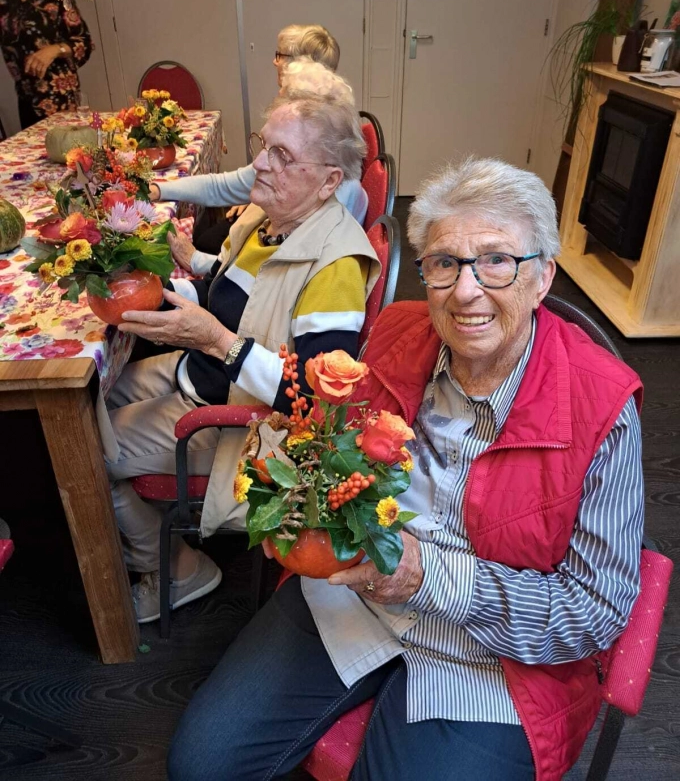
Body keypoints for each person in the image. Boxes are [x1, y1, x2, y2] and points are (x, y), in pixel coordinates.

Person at [167, 158, 644, 781]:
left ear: (542, 277)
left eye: (497, 260)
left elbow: (594, 610)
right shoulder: (396, 331)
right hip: (356, 595)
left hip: (491, 654)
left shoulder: (603, 405)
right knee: (199, 766)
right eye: (445, 263)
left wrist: (428, 579)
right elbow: (332, 436)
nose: (466, 290)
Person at [101, 93, 381, 624]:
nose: (261, 164)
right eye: (263, 146)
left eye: (283, 155)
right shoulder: (269, 218)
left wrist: (212, 340)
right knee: (95, 398)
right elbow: (243, 296)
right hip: (202, 375)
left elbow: (315, 403)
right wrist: (179, 272)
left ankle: (177, 569)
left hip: (245, 424)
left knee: (88, 447)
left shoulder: (335, 268)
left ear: (328, 182)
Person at [154, 59, 368, 276]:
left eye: (285, 96)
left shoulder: (332, 220)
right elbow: (223, 187)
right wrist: (161, 188)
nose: (277, 100)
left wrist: (197, 260)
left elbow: (270, 279)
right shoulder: (292, 179)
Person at [0, 0, 93, 129]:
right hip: (26, 99)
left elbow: (84, 42)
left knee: (68, 149)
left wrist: (54, 50)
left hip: (60, 98)